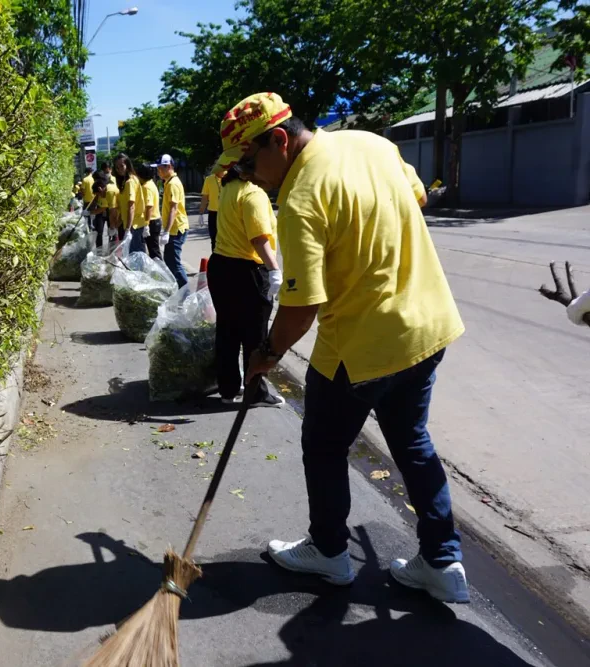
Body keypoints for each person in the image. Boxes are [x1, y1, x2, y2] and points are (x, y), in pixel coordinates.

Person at [217, 92, 468, 603]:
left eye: (248, 160)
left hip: (360, 348)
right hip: (425, 327)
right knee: (412, 444)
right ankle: (443, 563)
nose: (250, 174)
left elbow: (301, 306)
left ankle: (331, 553)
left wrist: (266, 354)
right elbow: (416, 197)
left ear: (280, 141)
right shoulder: (371, 144)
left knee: (325, 446)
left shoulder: (299, 199)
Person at [207, 163, 285, 407]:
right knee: (255, 335)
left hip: (220, 266)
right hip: (246, 271)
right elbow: (259, 238)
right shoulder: (253, 194)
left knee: (228, 331)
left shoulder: (228, 187)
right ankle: (256, 393)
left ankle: (228, 389)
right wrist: (274, 270)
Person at [156, 154, 189, 288]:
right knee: (170, 261)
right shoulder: (169, 182)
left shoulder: (173, 184)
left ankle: (185, 292)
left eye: (160, 168)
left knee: (173, 262)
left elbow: (173, 209)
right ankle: (180, 290)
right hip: (174, 228)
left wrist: (166, 231)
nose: (158, 171)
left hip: (176, 229)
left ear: (168, 167)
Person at [114, 153, 145, 252]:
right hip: (133, 224)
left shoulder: (130, 182)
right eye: (117, 167)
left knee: (135, 256)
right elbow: (123, 207)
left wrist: (127, 229)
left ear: (128, 165)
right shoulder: (128, 180)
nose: (119, 169)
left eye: (122, 166)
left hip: (133, 225)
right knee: (136, 255)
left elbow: (131, 207)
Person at [136, 163, 162, 259]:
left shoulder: (146, 187)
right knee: (153, 249)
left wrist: (146, 224)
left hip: (151, 221)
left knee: (154, 251)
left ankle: (160, 272)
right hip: (155, 220)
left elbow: (149, 207)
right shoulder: (151, 183)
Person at [200, 166, 224, 250]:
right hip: (213, 213)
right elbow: (205, 197)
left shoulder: (229, 178)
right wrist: (201, 213)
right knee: (214, 237)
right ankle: (215, 258)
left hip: (226, 213)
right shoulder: (209, 179)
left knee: (226, 239)